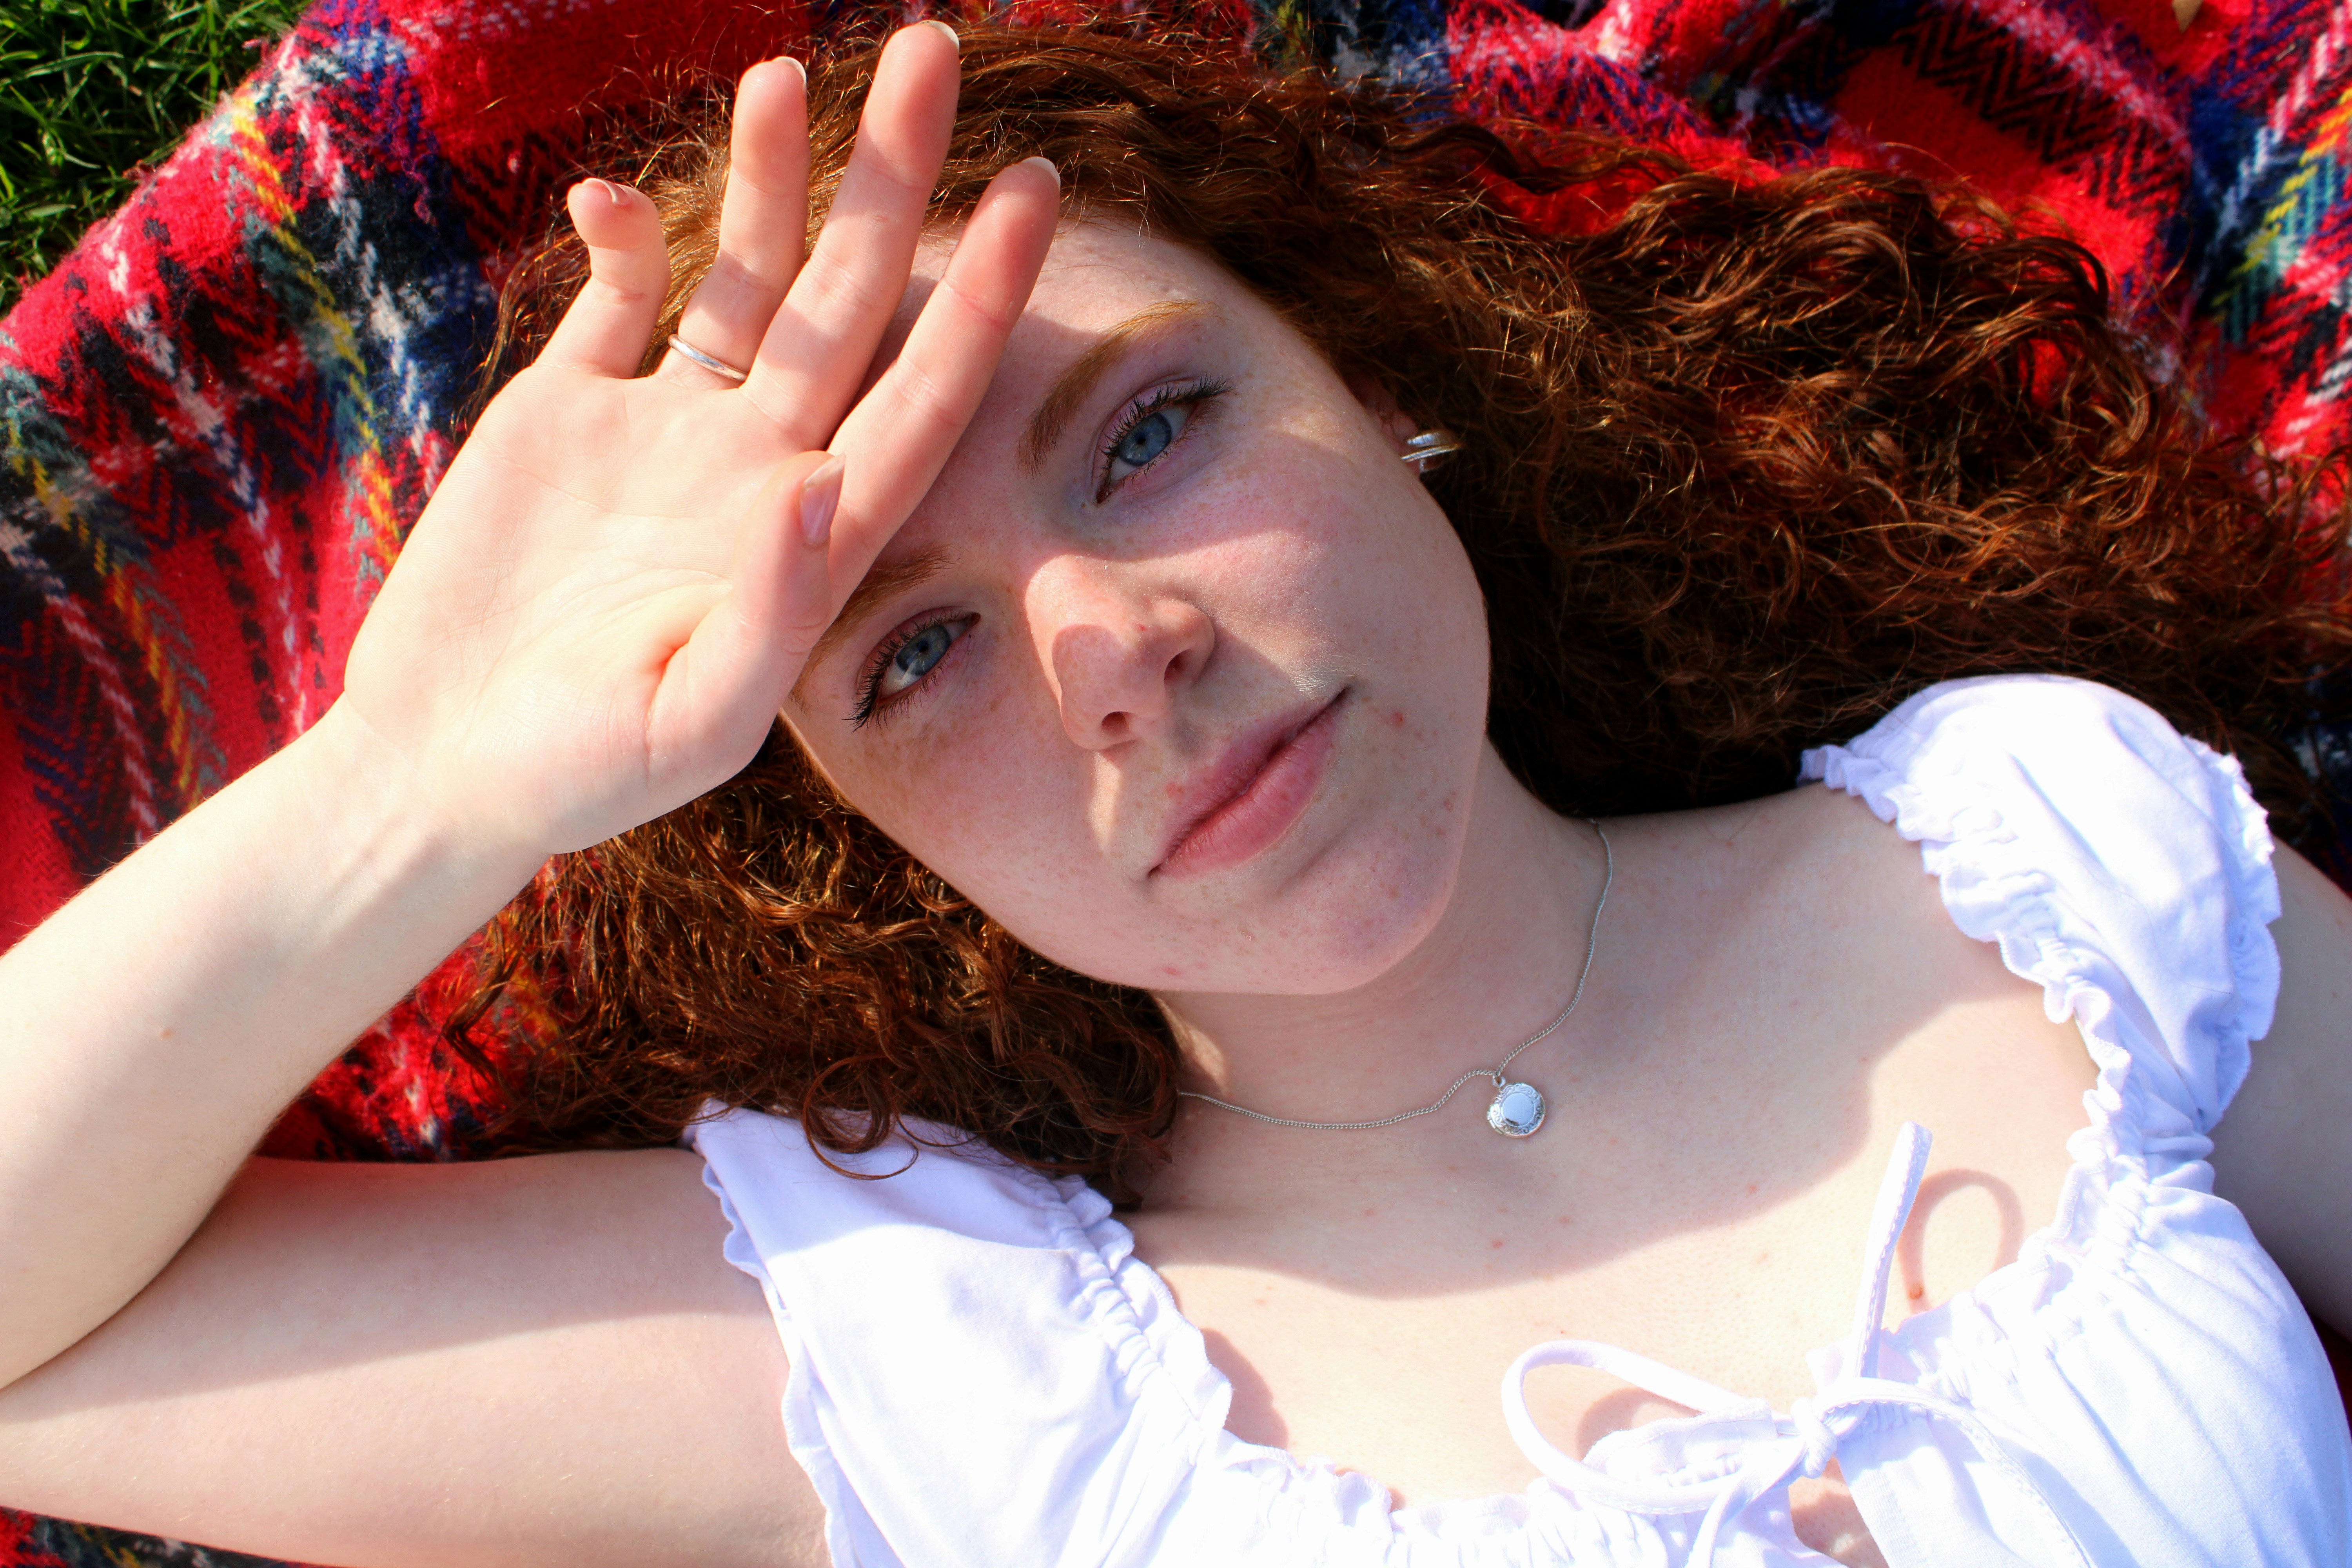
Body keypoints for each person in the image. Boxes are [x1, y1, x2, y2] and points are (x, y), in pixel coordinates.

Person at [0, 18, 2346, 1567]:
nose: (1116, 652)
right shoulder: (930, 1329)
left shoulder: (2039, 847)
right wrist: (423, 784)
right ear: (841, 817)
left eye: (1145, 432)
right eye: (910, 651)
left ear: (1380, 380)